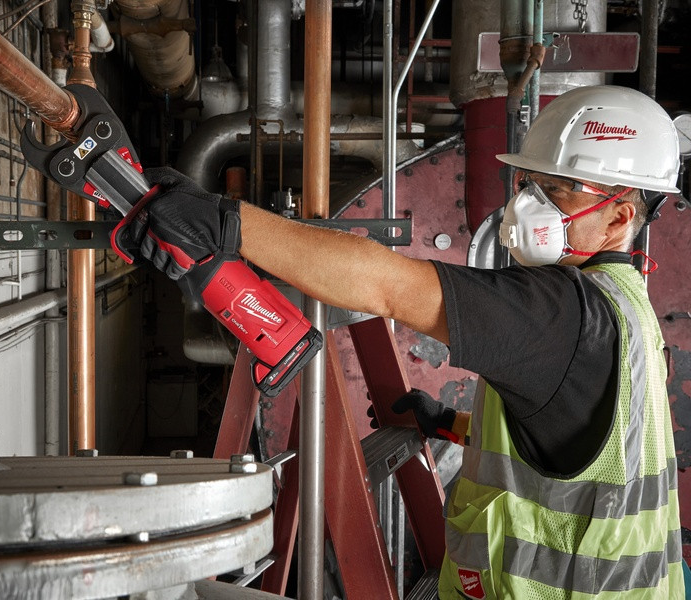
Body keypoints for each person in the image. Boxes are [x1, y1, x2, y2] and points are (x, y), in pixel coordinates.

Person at [128, 85, 684, 598]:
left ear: (619, 218)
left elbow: (386, 286)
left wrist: (225, 223)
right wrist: (451, 425)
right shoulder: (625, 307)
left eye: (557, 191)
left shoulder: (564, 315)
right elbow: (587, 455)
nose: (530, 204)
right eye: (528, 184)